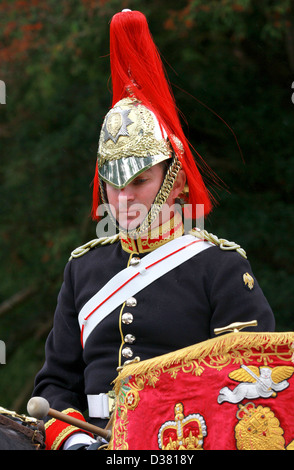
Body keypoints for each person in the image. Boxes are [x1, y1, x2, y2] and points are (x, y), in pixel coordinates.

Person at [32, 10, 275, 450]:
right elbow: (55, 383)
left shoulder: (219, 267)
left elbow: (251, 385)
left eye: (140, 181)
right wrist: (73, 442)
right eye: (113, 183)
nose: (123, 198)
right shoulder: (83, 269)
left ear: (175, 180)